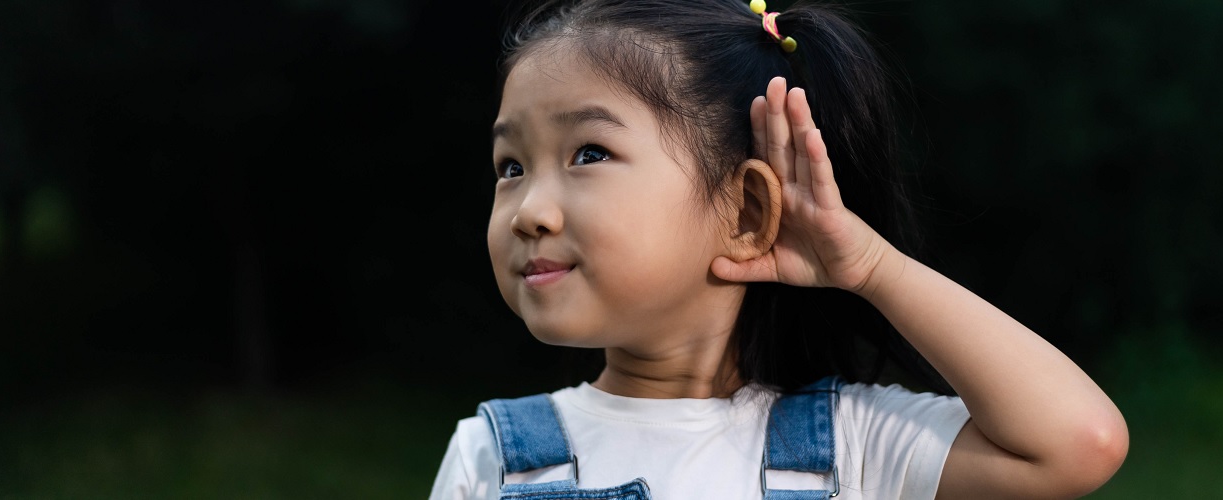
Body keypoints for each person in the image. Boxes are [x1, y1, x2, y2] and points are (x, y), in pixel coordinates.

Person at [431, 0, 1128, 498]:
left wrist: (873, 269)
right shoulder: (496, 457)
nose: (529, 211)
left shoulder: (853, 448)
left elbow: (1079, 443)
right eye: (510, 166)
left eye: (589, 153)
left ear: (746, 212)